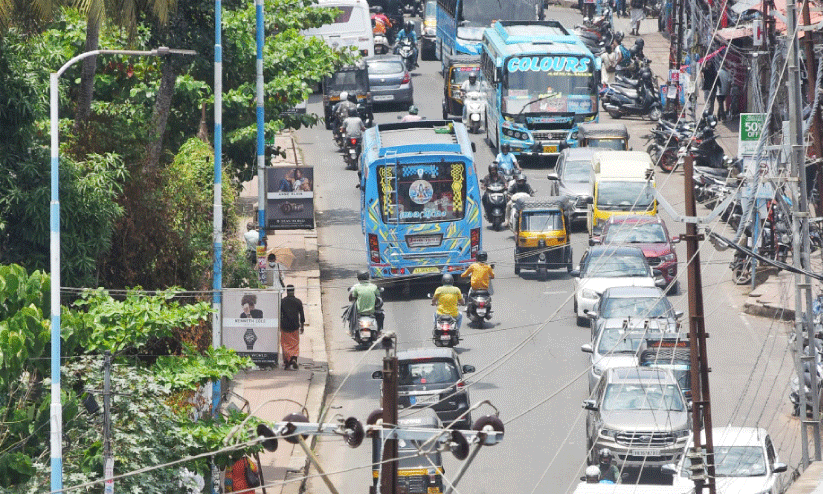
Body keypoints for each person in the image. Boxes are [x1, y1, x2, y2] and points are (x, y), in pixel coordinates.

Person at [279, 284, 305, 370]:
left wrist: (279, 324)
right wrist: (302, 326)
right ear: (294, 291)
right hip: (295, 326)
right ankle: (294, 358)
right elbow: (302, 315)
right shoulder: (298, 301)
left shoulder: (282, 301)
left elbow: (279, 314)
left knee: (285, 344)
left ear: (287, 291)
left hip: (285, 326)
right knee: (295, 343)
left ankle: (287, 361)